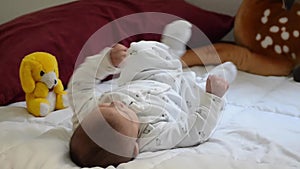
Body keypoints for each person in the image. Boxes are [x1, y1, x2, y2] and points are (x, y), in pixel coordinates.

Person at [68, 20, 237, 168]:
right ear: (135, 147)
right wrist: (213, 98)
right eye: (125, 113)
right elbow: (192, 131)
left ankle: (172, 49)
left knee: (137, 54)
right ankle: (216, 81)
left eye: (106, 106)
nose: (116, 103)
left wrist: (105, 62)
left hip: (143, 77)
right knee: (197, 95)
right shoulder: (154, 137)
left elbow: (80, 84)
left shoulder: (88, 114)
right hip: (178, 94)